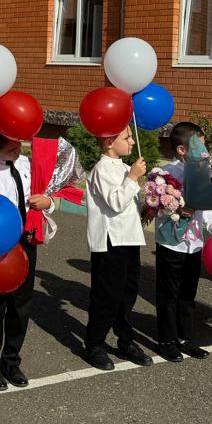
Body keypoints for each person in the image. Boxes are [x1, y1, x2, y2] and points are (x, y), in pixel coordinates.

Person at [0, 125, 54, 390]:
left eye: (18, 143)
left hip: (26, 239)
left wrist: (48, 202)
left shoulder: (26, 163)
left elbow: (45, 191)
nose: (17, 148)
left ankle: (11, 359)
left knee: (21, 305)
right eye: (10, 145)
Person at [151, 122, 212, 362]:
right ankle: (167, 340)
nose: (204, 149)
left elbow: (207, 210)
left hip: (194, 244)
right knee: (168, 294)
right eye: (199, 144)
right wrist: (179, 207)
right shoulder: (164, 175)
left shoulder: (204, 173)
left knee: (188, 294)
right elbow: (156, 207)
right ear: (182, 150)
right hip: (172, 243)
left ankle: (186, 338)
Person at [83, 125, 150, 371]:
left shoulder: (123, 168)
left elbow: (132, 206)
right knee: (107, 294)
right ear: (110, 142)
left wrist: (150, 203)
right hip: (110, 240)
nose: (132, 142)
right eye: (127, 137)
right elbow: (115, 202)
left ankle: (125, 339)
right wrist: (133, 178)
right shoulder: (102, 169)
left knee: (128, 293)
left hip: (129, 238)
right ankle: (95, 344)